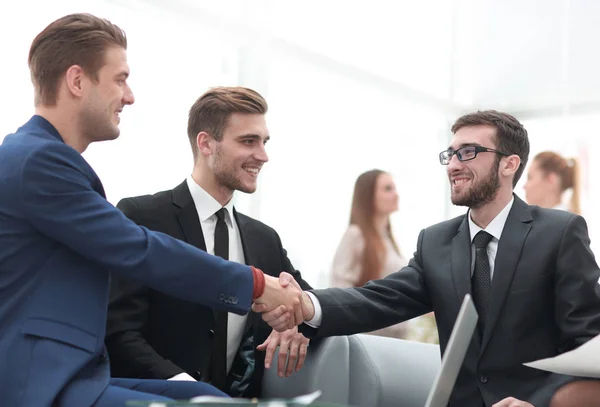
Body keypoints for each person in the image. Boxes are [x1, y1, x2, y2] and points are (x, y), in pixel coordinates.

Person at [0, 14, 301, 407]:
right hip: (38, 382)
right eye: (120, 79)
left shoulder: (41, 159)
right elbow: (140, 250)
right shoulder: (38, 162)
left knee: (206, 397)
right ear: (77, 81)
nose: (129, 96)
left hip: (79, 374)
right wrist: (256, 284)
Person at [257, 110, 600, 407]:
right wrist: (306, 304)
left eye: (468, 153)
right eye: (449, 154)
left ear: (509, 164)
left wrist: (539, 403)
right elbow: (379, 298)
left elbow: (586, 341)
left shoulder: (559, 232)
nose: (453, 165)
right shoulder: (436, 241)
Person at [106, 86, 312, 398]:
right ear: (206, 143)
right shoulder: (142, 216)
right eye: (248, 141)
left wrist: (296, 326)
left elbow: (311, 302)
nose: (263, 155)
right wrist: (189, 391)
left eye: (264, 142)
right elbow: (118, 331)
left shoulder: (264, 239)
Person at [331, 169, 438, 343]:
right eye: (388, 189)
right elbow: (340, 290)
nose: (396, 195)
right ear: (369, 196)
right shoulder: (355, 235)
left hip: (395, 339)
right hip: (370, 341)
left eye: (394, 188)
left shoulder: (388, 241)